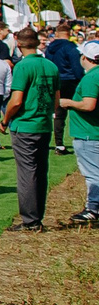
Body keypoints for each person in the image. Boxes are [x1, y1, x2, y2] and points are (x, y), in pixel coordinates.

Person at [5, 27, 58, 232]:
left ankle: (30, 220)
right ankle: (37, 215)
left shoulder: (22, 66)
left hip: (25, 124)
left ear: (18, 43)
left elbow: (16, 100)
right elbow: (55, 99)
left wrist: (6, 118)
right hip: (43, 123)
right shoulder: (51, 66)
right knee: (40, 170)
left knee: (27, 173)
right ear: (37, 43)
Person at [61, 41, 99, 228]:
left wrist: (68, 102)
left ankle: (93, 208)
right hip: (93, 132)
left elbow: (88, 104)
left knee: (93, 175)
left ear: (85, 58)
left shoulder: (92, 77)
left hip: (88, 133)